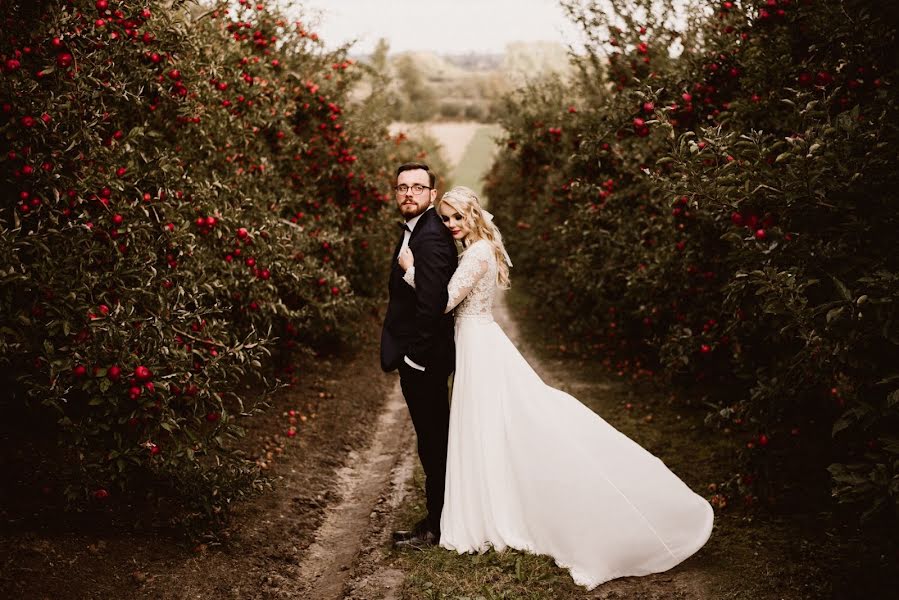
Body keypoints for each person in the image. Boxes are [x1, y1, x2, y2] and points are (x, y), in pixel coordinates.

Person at [397, 185, 714, 590]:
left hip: (478, 344)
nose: (451, 225)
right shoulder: (478, 249)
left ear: (473, 215)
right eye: (445, 219)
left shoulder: (476, 253)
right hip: (476, 341)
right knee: (489, 425)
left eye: (457, 217)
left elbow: (442, 302)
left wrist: (411, 269)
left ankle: (500, 508)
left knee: (500, 420)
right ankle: (490, 500)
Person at [380, 162, 458, 549]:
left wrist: (415, 358)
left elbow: (433, 304)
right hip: (421, 358)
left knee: (434, 442)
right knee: (433, 441)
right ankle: (439, 518)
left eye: (417, 187)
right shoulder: (420, 230)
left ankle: (438, 526)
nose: (408, 193)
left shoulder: (429, 236)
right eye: (402, 187)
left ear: (432, 193)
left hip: (425, 361)